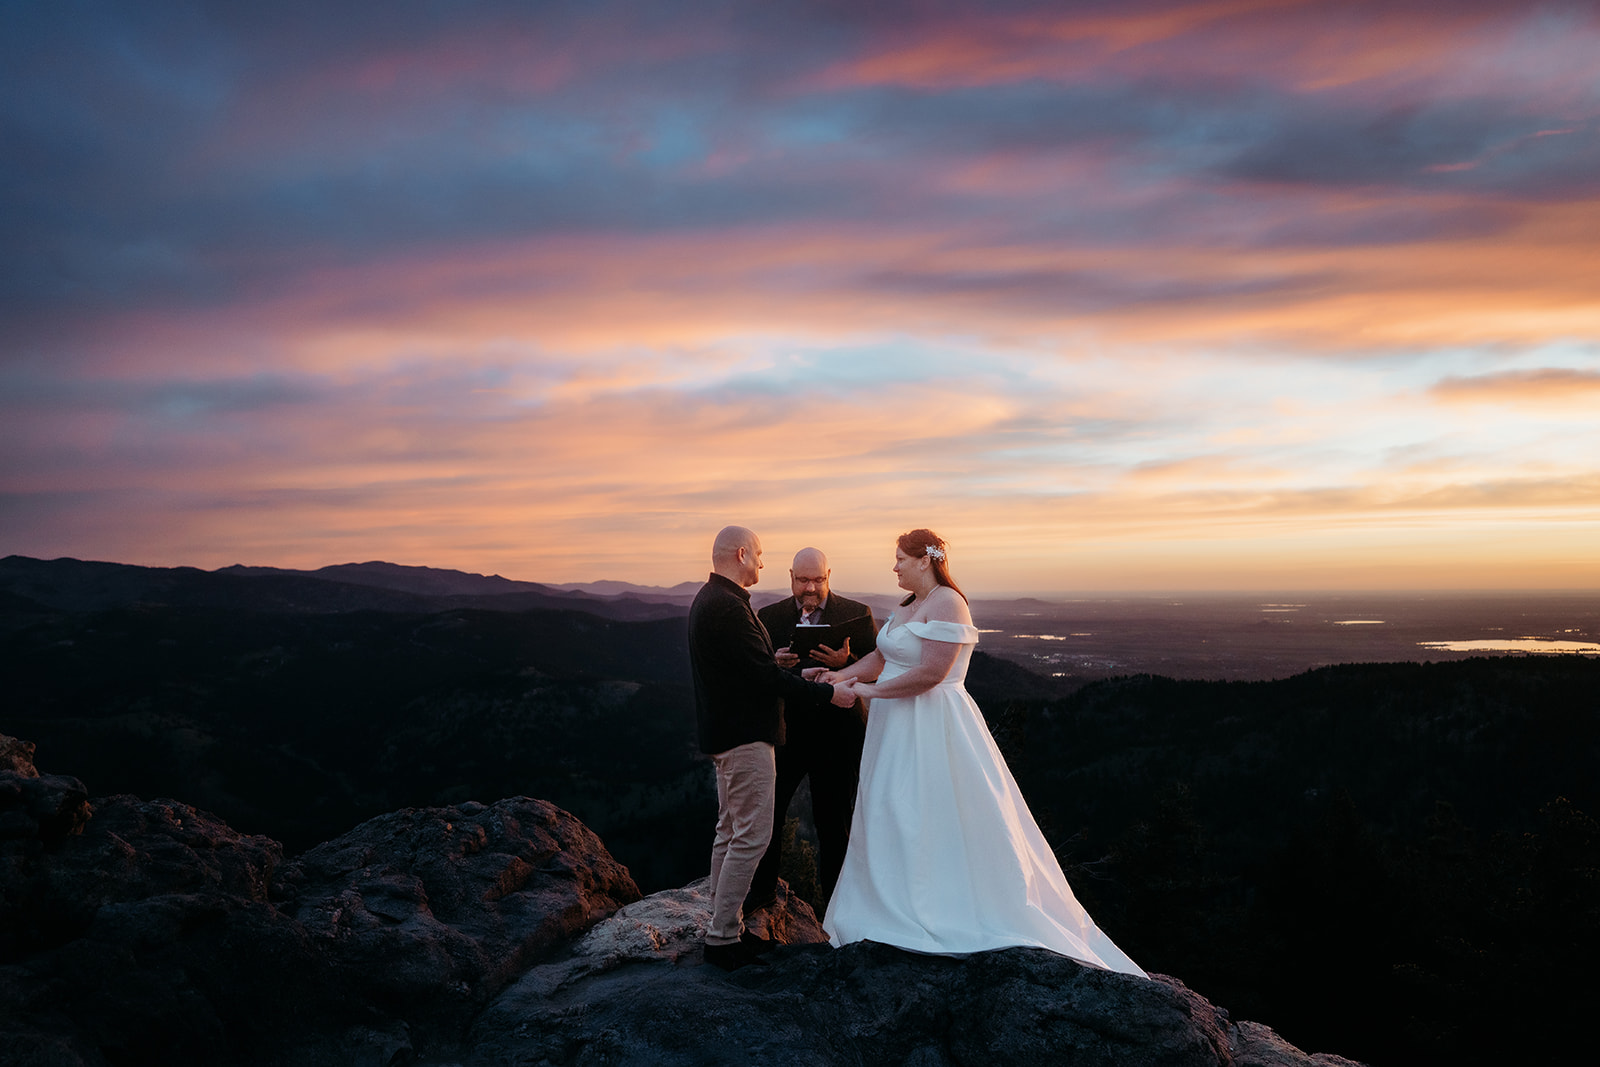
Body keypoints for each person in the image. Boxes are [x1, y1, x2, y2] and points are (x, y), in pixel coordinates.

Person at [814, 529, 1146, 977]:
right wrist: (841, 678)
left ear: (924, 561)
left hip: (932, 724)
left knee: (933, 811)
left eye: (899, 559)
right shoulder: (909, 606)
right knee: (890, 808)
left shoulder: (950, 603)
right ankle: (889, 904)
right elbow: (883, 655)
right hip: (895, 728)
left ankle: (938, 909)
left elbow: (932, 673)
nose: (893, 567)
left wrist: (867, 693)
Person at [686, 525, 858, 971]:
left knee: (729, 831)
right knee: (752, 837)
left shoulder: (713, 600)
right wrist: (824, 691)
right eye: (759, 555)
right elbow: (761, 679)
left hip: (729, 736)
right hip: (746, 738)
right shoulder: (730, 607)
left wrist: (780, 667)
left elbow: (750, 671)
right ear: (742, 554)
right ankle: (724, 938)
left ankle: (724, 926)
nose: (760, 563)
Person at [746, 547, 878, 912]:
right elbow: (757, 676)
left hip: (839, 737)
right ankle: (762, 903)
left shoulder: (856, 615)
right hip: (787, 734)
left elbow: (878, 668)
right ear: (791, 577)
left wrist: (846, 662)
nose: (810, 588)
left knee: (835, 830)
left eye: (818, 579)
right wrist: (775, 663)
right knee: (768, 820)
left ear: (829, 575)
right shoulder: (768, 618)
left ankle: (838, 916)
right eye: (803, 580)